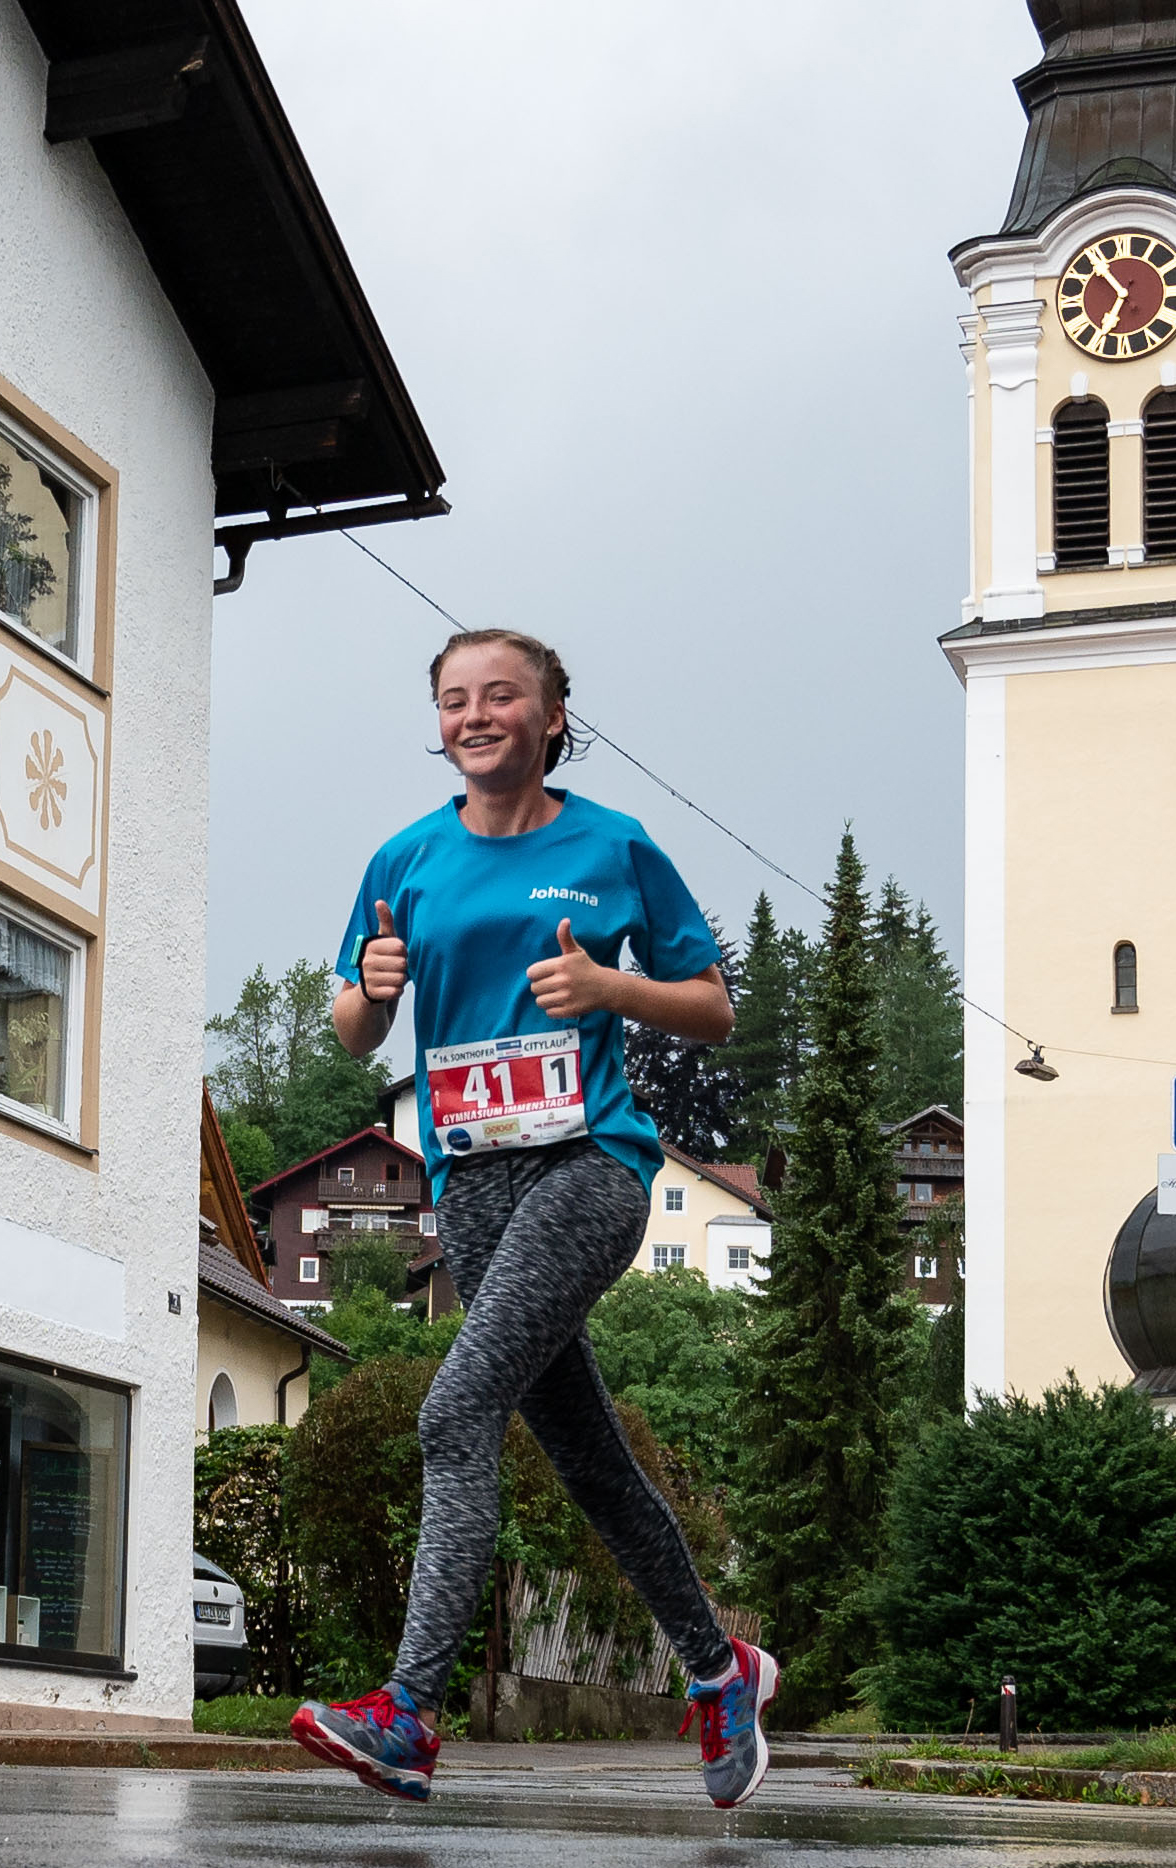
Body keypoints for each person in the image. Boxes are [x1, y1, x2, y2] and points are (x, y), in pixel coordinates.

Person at [289, 629, 778, 1810]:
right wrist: (372, 993)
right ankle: (720, 1671)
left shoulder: (611, 846)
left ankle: (407, 1715)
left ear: (552, 715)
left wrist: (612, 990)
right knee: (592, 1461)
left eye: (500, 694)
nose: (475, 714)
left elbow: (713, 1003)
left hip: (590, 1168)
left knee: (456, 1408)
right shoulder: (403, 859)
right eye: (454, 700)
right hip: (472, 1187)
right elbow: (354, 1029)